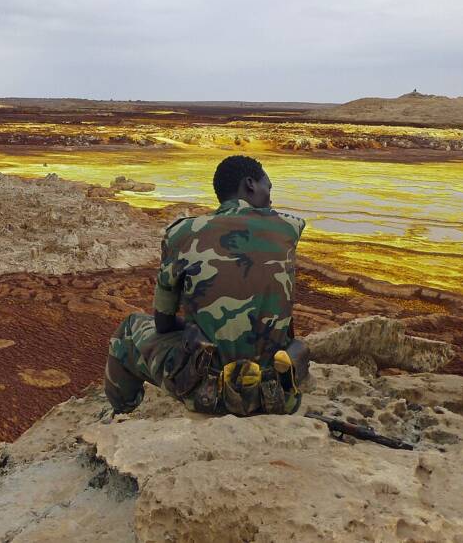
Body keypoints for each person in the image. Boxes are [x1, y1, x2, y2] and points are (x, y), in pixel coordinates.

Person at [104, 155, 310, 416]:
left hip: (205, 394)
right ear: (250, 184)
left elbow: (163, 323)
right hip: (277, 395)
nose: (270, 198)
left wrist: (197, 328)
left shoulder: (183, 233)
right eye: (268, 187)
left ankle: (122, 412)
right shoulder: (289, 227)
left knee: (129, 329)